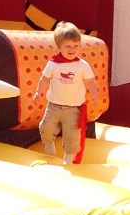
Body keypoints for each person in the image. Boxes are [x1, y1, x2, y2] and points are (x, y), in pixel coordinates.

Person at [34, 21, 98, 164]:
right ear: (59, 46)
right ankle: (49, 143)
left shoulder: (82, 66)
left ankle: (68, 157)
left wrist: (94, 94)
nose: (72, 49)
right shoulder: (53, 64)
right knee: (46, 127)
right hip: (54, 106)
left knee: (72, 135)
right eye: (67, 46)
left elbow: (90, 82)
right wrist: (39, 92)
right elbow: (44, 79)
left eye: (76, 46)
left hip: (73, 109)